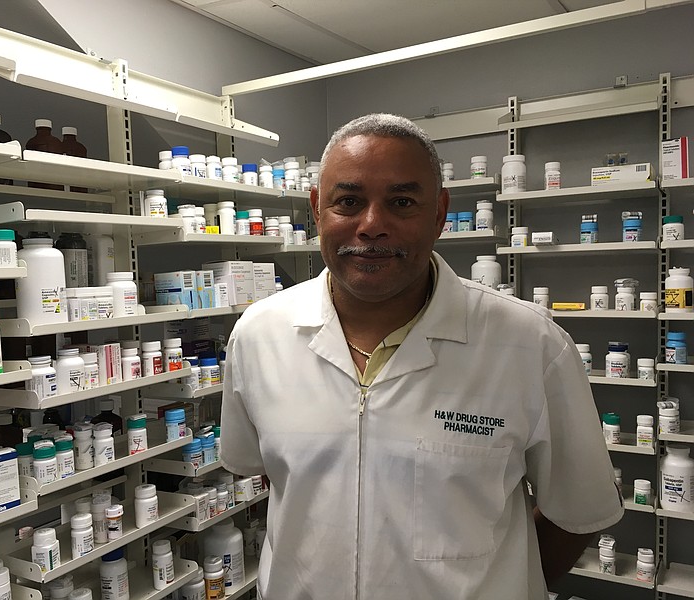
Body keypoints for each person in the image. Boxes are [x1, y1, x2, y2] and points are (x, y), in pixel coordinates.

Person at [220, 113, 623, 599]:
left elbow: (577, 515)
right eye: (348, 201)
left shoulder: (531, 346)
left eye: (402, 202)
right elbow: (270, 472)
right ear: (317, 210)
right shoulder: (259, 335)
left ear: (439, 213)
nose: (372, 226)